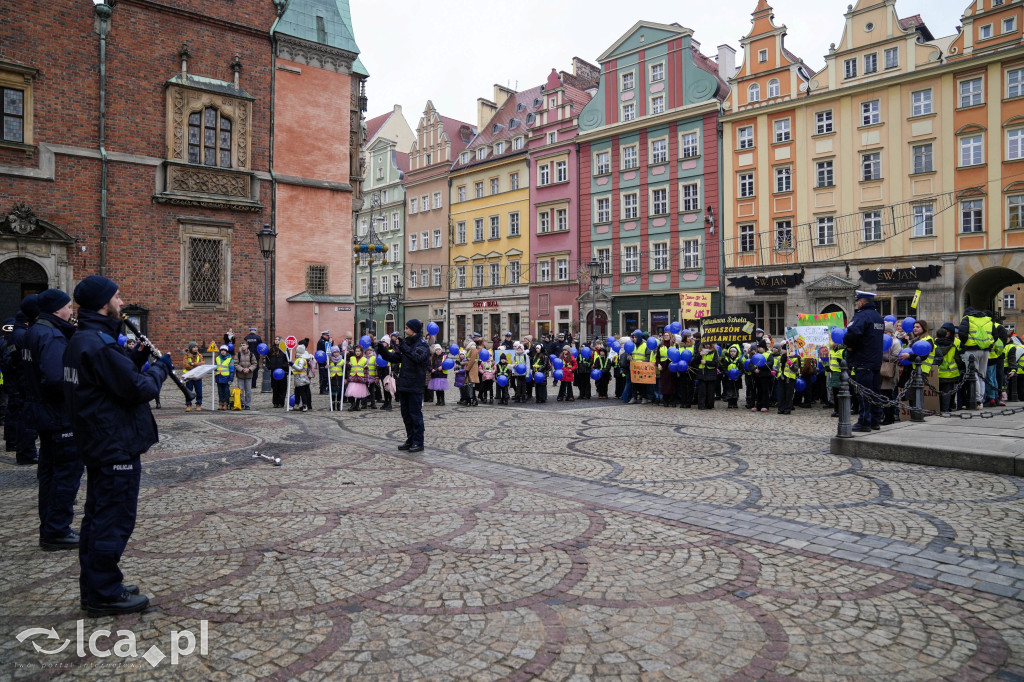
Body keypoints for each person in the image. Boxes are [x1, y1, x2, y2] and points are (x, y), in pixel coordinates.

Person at [64, 275, 171, 617]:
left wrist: (135, 361)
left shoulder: (83, 340)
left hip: (100, 441)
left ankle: (101, 583)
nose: (122, 302)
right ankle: (103, 593)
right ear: (102, 303)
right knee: (112, 519)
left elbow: (112, 382)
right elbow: (137, 390)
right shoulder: (98, 343)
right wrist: (159, 369)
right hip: (113, 444)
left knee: (98, 517)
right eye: (117, 296)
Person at [23, 288, 82, 551]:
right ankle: (57, 529)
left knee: (49, 471)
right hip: (58, 414)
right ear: (58, 309)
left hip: (41, 410)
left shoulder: (34, 331)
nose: (71, 312)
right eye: (69, 307)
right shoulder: (51, 335)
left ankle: (49, 525)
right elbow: (58, 378)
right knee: (65, 473)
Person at [377, 320, 431, 452]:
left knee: (415, 415)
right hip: (405, 384)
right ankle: (410, 439)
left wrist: (403, 346)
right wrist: (382, 350)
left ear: (414, 330)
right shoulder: (407, 344)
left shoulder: (422, 345)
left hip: (415, 384)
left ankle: (418, 442)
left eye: (407, 328)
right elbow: (395, 358)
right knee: (406, 415)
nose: (405, 330)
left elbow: (417, 358)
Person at [845, 290, 885, 432]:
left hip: (863, 359)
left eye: (857, 302)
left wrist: (849, 346)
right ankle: (875, 420)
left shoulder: (861, 316)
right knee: (875, 392)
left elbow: (852, 333)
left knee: (864, 393)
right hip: (875, 360)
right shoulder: (879, 318)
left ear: (861, 302)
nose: (857, 304)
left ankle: (864, 421)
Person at [7, 296, 40, 464]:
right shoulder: (23, 335)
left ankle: (22, 449)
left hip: (18, 378)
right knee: (26, 420)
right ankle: (26, 452)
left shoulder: (15, 335)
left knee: (20, 417)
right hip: (24, 380)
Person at [958, 306, 997, 407]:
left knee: (972, 374)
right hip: (985, 350)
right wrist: (989, 344)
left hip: (971, 350)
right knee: (982, 375)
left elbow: (962, 333)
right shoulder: (988, 320)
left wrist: (966, 343)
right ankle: (980, 400)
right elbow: (995, 335)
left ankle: (975, 399)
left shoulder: (967, 318)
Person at [291, 344, 315, 411]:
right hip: (299, 378)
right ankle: (298, 404)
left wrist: (292, 365)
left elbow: (300, 368)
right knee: (297, 392)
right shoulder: (301, 359)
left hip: (301, 378)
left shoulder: (301, 359)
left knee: (302, 393)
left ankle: (305, 405)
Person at [345, 345, 368, 411]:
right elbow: (348, 367)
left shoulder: (364, 359)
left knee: (359, 392)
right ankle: (353, 404)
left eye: (359, 351)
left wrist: (366, 379)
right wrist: (346, 364)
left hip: (360, 378)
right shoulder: (352, 358)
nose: (357, 352)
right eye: (356, 351)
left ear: (361, 352)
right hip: (353, 377)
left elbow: (366, 371)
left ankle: (357, 405)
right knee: (351, 391)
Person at [266, 341, 288, 408]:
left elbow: (287, 360)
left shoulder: (284, 349)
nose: (277, 340)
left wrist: (283, 366)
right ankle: (275, 402)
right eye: (276, 339)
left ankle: (281, 402)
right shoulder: (271, 350)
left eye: (278, 339)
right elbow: (267, 359)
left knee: (282, 388)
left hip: (282, 371)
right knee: (275, 388)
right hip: (274, 371)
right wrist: (270, 366)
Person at [183, 342, 205, 412]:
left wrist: (193, 364)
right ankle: (188, 405)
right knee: (188, 391)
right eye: (194, 347)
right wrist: (196, 365)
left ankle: (198, 404)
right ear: (190, 348)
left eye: (196, 347)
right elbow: (186, 365)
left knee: (199, 392)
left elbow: (202, 363)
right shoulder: (186, 356)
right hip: (189, 377)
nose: (196, 349)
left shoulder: (200, 355)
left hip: (198, 376)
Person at [235, 341, 256, 410]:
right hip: (240, 375)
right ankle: (242, 403)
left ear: (247, 346)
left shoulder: (251, 354)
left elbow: (254, 364)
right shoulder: (238, 354)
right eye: (241, 345)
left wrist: (249, 369)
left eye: (244, 345)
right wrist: (242, 369)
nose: (242, 346)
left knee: (248, 391)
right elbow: (235, 364)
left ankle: (248, 404)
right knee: (241, 390)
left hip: (249, 375)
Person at [214, 345, 234, 410]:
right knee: (220, 392)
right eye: (222, 351)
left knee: (226, 392)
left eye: (224, 351)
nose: (223, 352)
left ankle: (226, 404)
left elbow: (232, 370)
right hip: (219, 377)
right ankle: (220, 403)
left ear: (226, 351)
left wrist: (231, 379)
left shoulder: (230, 359)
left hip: (226, 377)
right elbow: (215, 367)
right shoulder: (217, 358)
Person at [316, 330, 332, 394]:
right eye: (327, 336)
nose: (328, 337)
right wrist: (330, 343)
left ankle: (324, 389)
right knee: (324, 376)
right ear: (323, 335)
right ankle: (322, 390)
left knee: (326, 376)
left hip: (324, 360)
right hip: (322, 361)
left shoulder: (324, 341)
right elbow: (327, 349)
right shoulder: (321, 342)